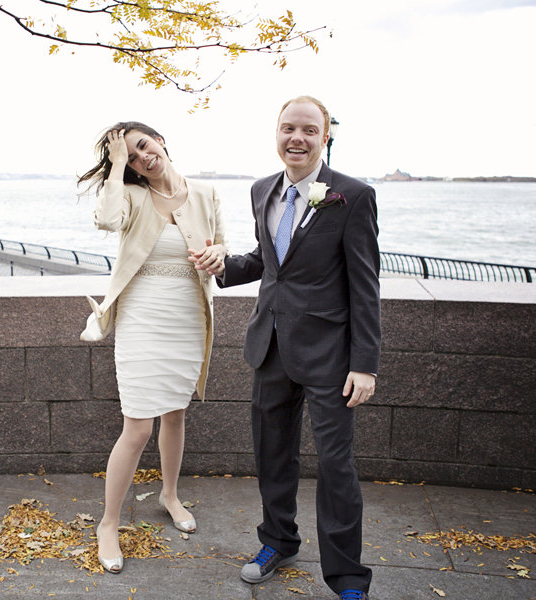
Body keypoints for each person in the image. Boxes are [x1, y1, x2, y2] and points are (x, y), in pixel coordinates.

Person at [198, 96, 380, 600]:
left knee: (336, 466)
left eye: (308, 130)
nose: (296, 138)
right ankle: (277, 541)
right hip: (270, 347)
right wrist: (224, 267)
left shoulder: (353, 196)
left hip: (330, 355)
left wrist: (364, 364)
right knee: (272, 454)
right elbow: (268, 259)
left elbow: (365, 286)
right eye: (287, 129)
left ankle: (347, 577)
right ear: (276, 134)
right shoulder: (262, 190)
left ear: (326, 137)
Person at [78, 121, 227, 574]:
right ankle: (108, 523)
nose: (144, 157)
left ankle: (169, 495)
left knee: (176, 414)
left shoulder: (206, 194)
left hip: (187, 317)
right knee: (138, 425)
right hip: (142, 317)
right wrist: (117, 163)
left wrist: (219, 254)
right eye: (133, 157)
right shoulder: (133, 195)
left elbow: (222, 249)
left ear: (161, 140)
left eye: (143, 145)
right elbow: (105, 219)